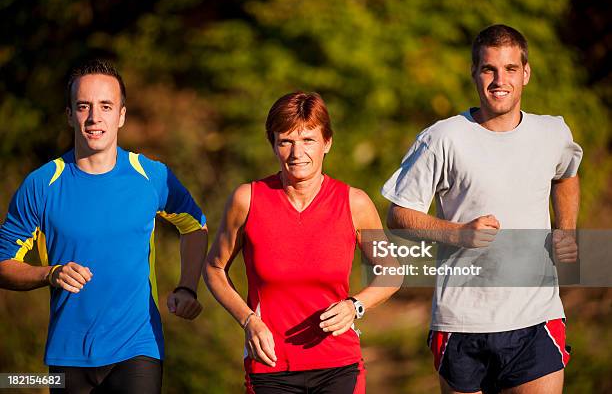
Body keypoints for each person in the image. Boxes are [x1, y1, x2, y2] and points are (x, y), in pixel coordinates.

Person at [382, 24, 582, 394]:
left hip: (535, 317)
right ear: (474, 72)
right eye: (488, 69)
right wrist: (459, 233)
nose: (498, 80)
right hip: (462, 320)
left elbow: (567, 175)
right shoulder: (442, 137)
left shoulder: (552, 133)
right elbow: (398, 215)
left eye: (509, 69)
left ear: (526, 73)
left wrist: (566, 227)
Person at [0, 59, 208, 393]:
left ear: (121, 115)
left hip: (138, 347)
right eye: (84, 107)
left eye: (106, 106)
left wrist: (187, 286)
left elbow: (196, 226)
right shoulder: (42, 184)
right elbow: (3, 265)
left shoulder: (152, 177)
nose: (95, 118)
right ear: (70, 115)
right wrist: (49, 273)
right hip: (67, 355)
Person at [204, 92, 399, 394]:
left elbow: (391, 271)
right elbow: (215, 269)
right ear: (272, 144)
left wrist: (355, 306)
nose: (297, 153)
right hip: (269, 366)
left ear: (327, 143)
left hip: (339, 365)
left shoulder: (354, 202)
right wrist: (248, 321)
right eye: (286, 141)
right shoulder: (248, 199)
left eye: (308, 140)